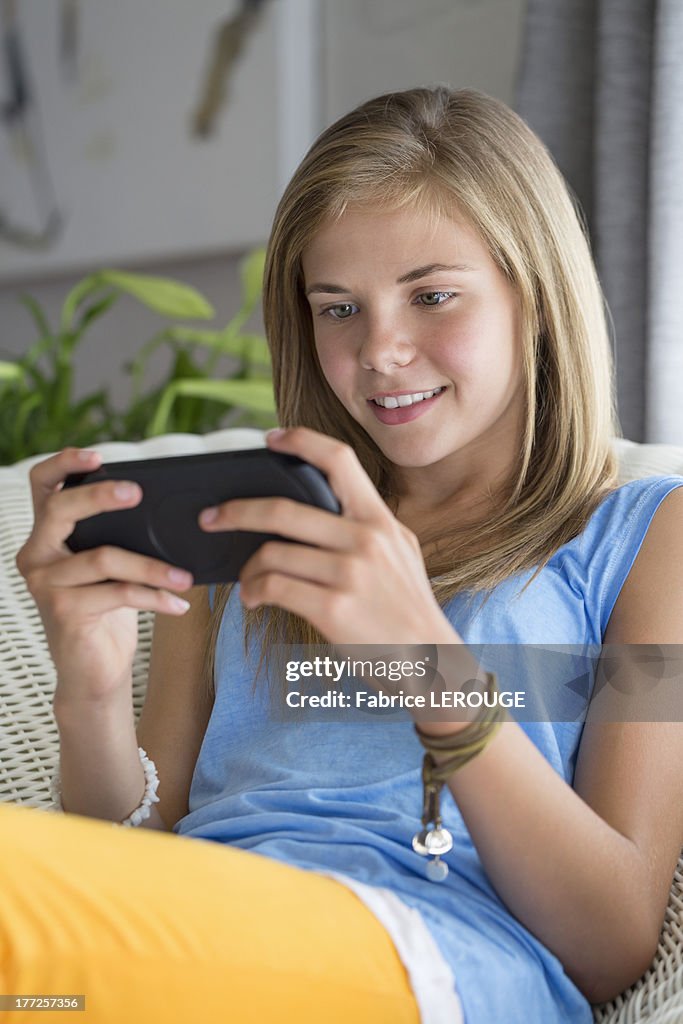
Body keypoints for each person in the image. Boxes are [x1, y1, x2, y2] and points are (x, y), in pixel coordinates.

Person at [6, 85, 683, 1024]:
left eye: (432, 295)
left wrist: (421, 656)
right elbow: (138, 852)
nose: (381, 351)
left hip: (424, 951)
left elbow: (611, 939)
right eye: (338, 309)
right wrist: (87, 687)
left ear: (534, 296)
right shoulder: (251, 520)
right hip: (189, 939)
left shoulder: (646, 537)